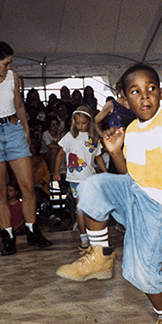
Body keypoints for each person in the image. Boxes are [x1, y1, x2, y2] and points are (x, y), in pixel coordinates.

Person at [56, 64, 162, 324]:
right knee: (91, 187)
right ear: (124, 99)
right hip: (134, 193)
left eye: (151, 89)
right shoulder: (132, 130)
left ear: (161, 93)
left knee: (141, 271)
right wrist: (115, 153)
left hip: (158, 207)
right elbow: (129, 175)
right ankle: (100, 254)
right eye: (135, 91)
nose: (145, 96)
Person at [0, 41, 52, 256]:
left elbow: (19, 104)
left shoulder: (13, 77)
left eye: (10, 63)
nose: (9, 67)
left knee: (27, 186)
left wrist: (26, 132)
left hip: (13, 129)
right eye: (5, 63)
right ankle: (7, 237)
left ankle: (32, 230)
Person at [53, 105, 107, 248]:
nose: (80, 126)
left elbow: (99, 157)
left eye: (83, 123)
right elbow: (60, 154)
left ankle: (93, 234)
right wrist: (56, 172)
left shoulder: (94, 138)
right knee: (81, 208)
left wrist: (105, 171)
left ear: (90, 122)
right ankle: (84, 237)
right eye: (77, 123)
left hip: (90, 178)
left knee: (91, 207)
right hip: (75, 180)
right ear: (73, 122)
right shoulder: (70, 137)